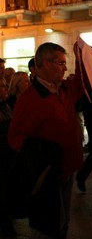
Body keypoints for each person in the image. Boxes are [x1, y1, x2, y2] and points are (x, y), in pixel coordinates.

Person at [8, 42, 85, 239]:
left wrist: (82, 55)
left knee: (63, 220)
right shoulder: (29, 99)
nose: (65, 68)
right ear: (45, 63)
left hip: (68, 168)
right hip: (47, 175)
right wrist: (40, 160)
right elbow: (15, 137)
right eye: (60, 63)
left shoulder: (64, 89)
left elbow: (84, 81)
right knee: (47, 225)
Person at [0, 78, 16, 236]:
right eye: (2, 87)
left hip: (7, 156)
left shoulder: (5, 106)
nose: (5, 89)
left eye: (6, 86)